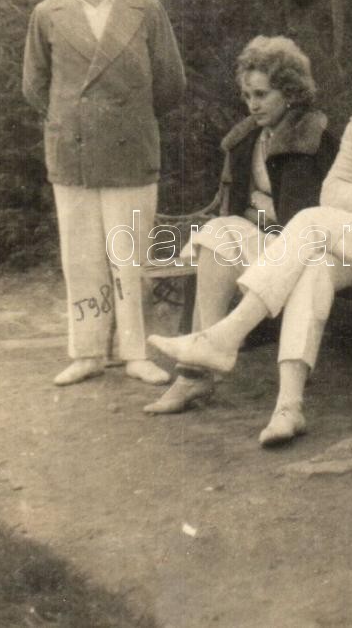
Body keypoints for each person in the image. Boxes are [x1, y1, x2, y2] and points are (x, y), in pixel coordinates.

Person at [148, 27, 352, 445]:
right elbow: (331, 192)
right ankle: (289, 407)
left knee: (313, 221)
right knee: (309, 265)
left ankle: (225, 338)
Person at [22, 0, 185, 387]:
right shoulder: (47, 13)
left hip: (130, 150)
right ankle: (88, 351)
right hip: (72, 150)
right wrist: (73, 118)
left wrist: (127, 117)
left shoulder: (145, 9)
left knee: (128, 256)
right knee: (81, 256)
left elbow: (171, 84)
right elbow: (35, 86)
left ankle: (134, 351)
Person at [144, 35, 337, 415]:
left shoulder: (312, 140)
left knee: (220, 233)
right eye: (248, 95)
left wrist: (250, 226)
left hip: (300, 253)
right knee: (217, 233)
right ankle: (199, 368)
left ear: (291, 92)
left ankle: (197, 373)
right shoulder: (249, 138)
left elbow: (307, 221)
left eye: (263, 94)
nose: (253, 104)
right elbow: (234, 208)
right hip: (257, 243)